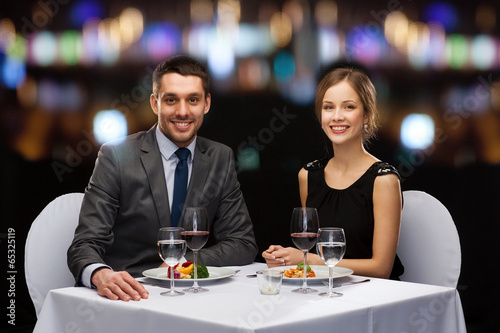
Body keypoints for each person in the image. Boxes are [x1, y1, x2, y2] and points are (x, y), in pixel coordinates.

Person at [68, 55, 258, 301]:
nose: (182, 111)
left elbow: (242, 243)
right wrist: (101, 274)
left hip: (196, 295)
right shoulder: (116, 156)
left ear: (206, 104)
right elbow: (84, 244)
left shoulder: (220, 157)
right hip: (130, 296)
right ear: (155, 104)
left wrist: (182, 263)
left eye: (193, 100)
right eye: (171, 100)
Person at [262, 67, 404, 279]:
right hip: (323, 292)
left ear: (366, 115)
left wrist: (308, 260)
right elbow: (309, 250)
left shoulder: (383, 179)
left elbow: (381, 268)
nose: (337, 116)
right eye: (329, 107)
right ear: (320, 116)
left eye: (348, 107)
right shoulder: (308, 176)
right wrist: (283, 258)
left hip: (373, 296)